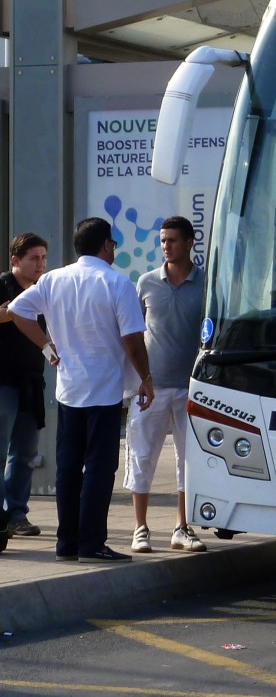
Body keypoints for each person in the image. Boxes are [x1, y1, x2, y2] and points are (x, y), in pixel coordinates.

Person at [8, 218, 154, 563]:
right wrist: (146, 378)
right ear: (106, 245)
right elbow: (132, 338)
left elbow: (17, 311)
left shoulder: (53, 279)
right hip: (104, 390)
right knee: (100, 469)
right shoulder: (117, 283)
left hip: (69, 388)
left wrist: (47, 347)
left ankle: (67, 542)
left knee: (68, 467)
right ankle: (92, 543)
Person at [125, 216, 206, 553]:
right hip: (151, 387)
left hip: (194, 387)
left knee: (189, 460)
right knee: (141, 455)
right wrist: (139, 380)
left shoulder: (208, 283)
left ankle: (181, 528)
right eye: (162, 240)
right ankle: (140, 528)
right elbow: (130, 335)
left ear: (189, 243)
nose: (166, 246)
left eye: (172, 240)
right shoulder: (145, 283)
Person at [0, 233, 50, 550]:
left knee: (25, 454)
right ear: (15, 261)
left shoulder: (45, 289)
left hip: (32, 382)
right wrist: (16, 308)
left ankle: (17, 514)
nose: (41, 264)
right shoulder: (4, 284)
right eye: (34, 258)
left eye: (44, 258)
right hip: (3, 380)